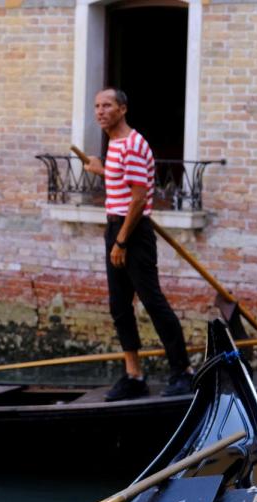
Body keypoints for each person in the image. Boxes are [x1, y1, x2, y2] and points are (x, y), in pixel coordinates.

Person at [83, 87, 195, 401]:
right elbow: (124, 180)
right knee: (119, 306)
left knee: (152, 301)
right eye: (96, 106)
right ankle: (134, 375)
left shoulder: (132, 144)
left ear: (122, 109)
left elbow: (138, 198)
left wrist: (120, 242)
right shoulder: (116, 145)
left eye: (107, 105)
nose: (100, 111)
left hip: (132, 232)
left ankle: (182, 371)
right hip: (116, 227)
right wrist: (100, 169)